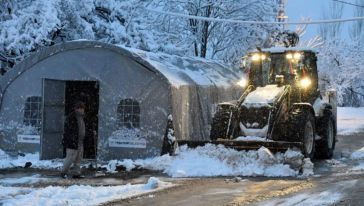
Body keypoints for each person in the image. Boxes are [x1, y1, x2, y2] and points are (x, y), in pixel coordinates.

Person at [61, 101, 87, 178]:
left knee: (78, 159)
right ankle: (63, 172)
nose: (82, 110)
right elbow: (69, 131)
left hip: (80, 141)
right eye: (80, 108)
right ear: (76, 109)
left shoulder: (82, 117)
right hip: (72, 141)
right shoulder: (71, 117)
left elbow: (82, 128)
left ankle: (76, 173)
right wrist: (71, 139)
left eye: (82, 108)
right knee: (70, 158)